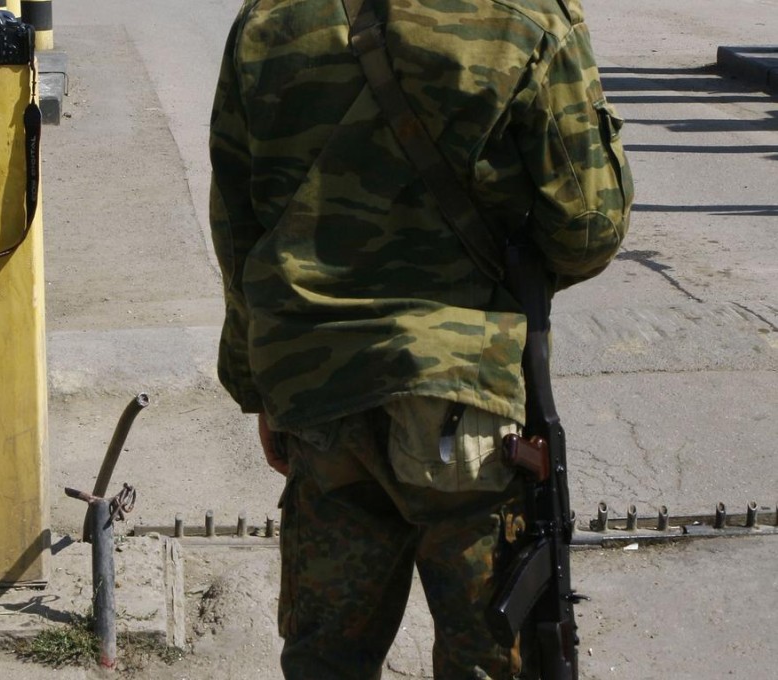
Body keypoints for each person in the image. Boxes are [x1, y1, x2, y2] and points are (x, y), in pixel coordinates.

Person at [208, 0, 633, 677]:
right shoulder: (529, 14)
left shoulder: (270, 17)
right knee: (491, 657)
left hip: (320, 396)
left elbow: (238, 225)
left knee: (326, 660)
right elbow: (588, 227)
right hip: (468, 402)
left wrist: (257, 386)